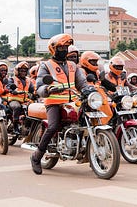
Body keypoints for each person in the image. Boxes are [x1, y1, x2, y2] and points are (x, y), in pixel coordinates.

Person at [30, 33, 89, 175]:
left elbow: (82, 83)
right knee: (53, 126)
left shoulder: (73, 65)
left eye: (66, 47)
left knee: (89, 119)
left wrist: (88, 89)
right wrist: (47, 89)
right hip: (54, 102)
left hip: (73, 101)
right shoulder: (46, 65)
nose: (64, 50)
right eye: (61, 47)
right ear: (53, 49)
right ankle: (36, 157)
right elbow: (39, 86)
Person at [7, 61, 34, 135]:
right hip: (14, 99)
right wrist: (12, 90)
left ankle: (30, 127)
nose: (23, 72)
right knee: (17, 107)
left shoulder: (29, 80)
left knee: (34, 108)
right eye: (21, 71)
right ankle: (15, 125)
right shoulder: (12, 79)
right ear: (17, 71)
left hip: (25, 100)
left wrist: (37, 93)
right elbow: (8, 86)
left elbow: (32, 89)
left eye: (25, 71)